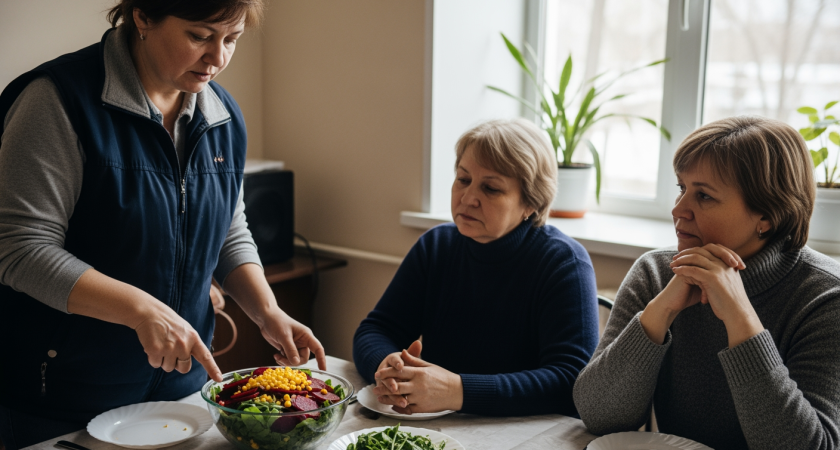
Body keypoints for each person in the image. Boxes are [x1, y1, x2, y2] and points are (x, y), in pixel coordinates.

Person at [0, 1, 325, 448]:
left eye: (231, 40)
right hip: (61, 399)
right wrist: (142, 310)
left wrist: (266, 310)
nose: (218, 58)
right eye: (200, 36)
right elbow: (20, 248)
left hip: (179, 394)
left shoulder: (222, 116)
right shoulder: (56, 100)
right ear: (143, 17)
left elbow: (229, 230)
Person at [572, 116, 840, 450]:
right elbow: (598, 415)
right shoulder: (655, 272)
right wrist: (661, 311)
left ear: (767, 217)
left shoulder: (825, 297)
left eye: (704, 196)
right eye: (682, 189)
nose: (678, 209)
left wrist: (741, 318)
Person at [353, 119, 600, 417]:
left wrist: (457, 391)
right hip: (437, 424)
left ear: (530, 205)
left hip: (527, 432)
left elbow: (571, 380)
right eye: (463, 179)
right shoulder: (436, 246)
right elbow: (376, 329)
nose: (468, 198)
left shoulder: (564, 263)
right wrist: (387, 366)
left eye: (491, 188)